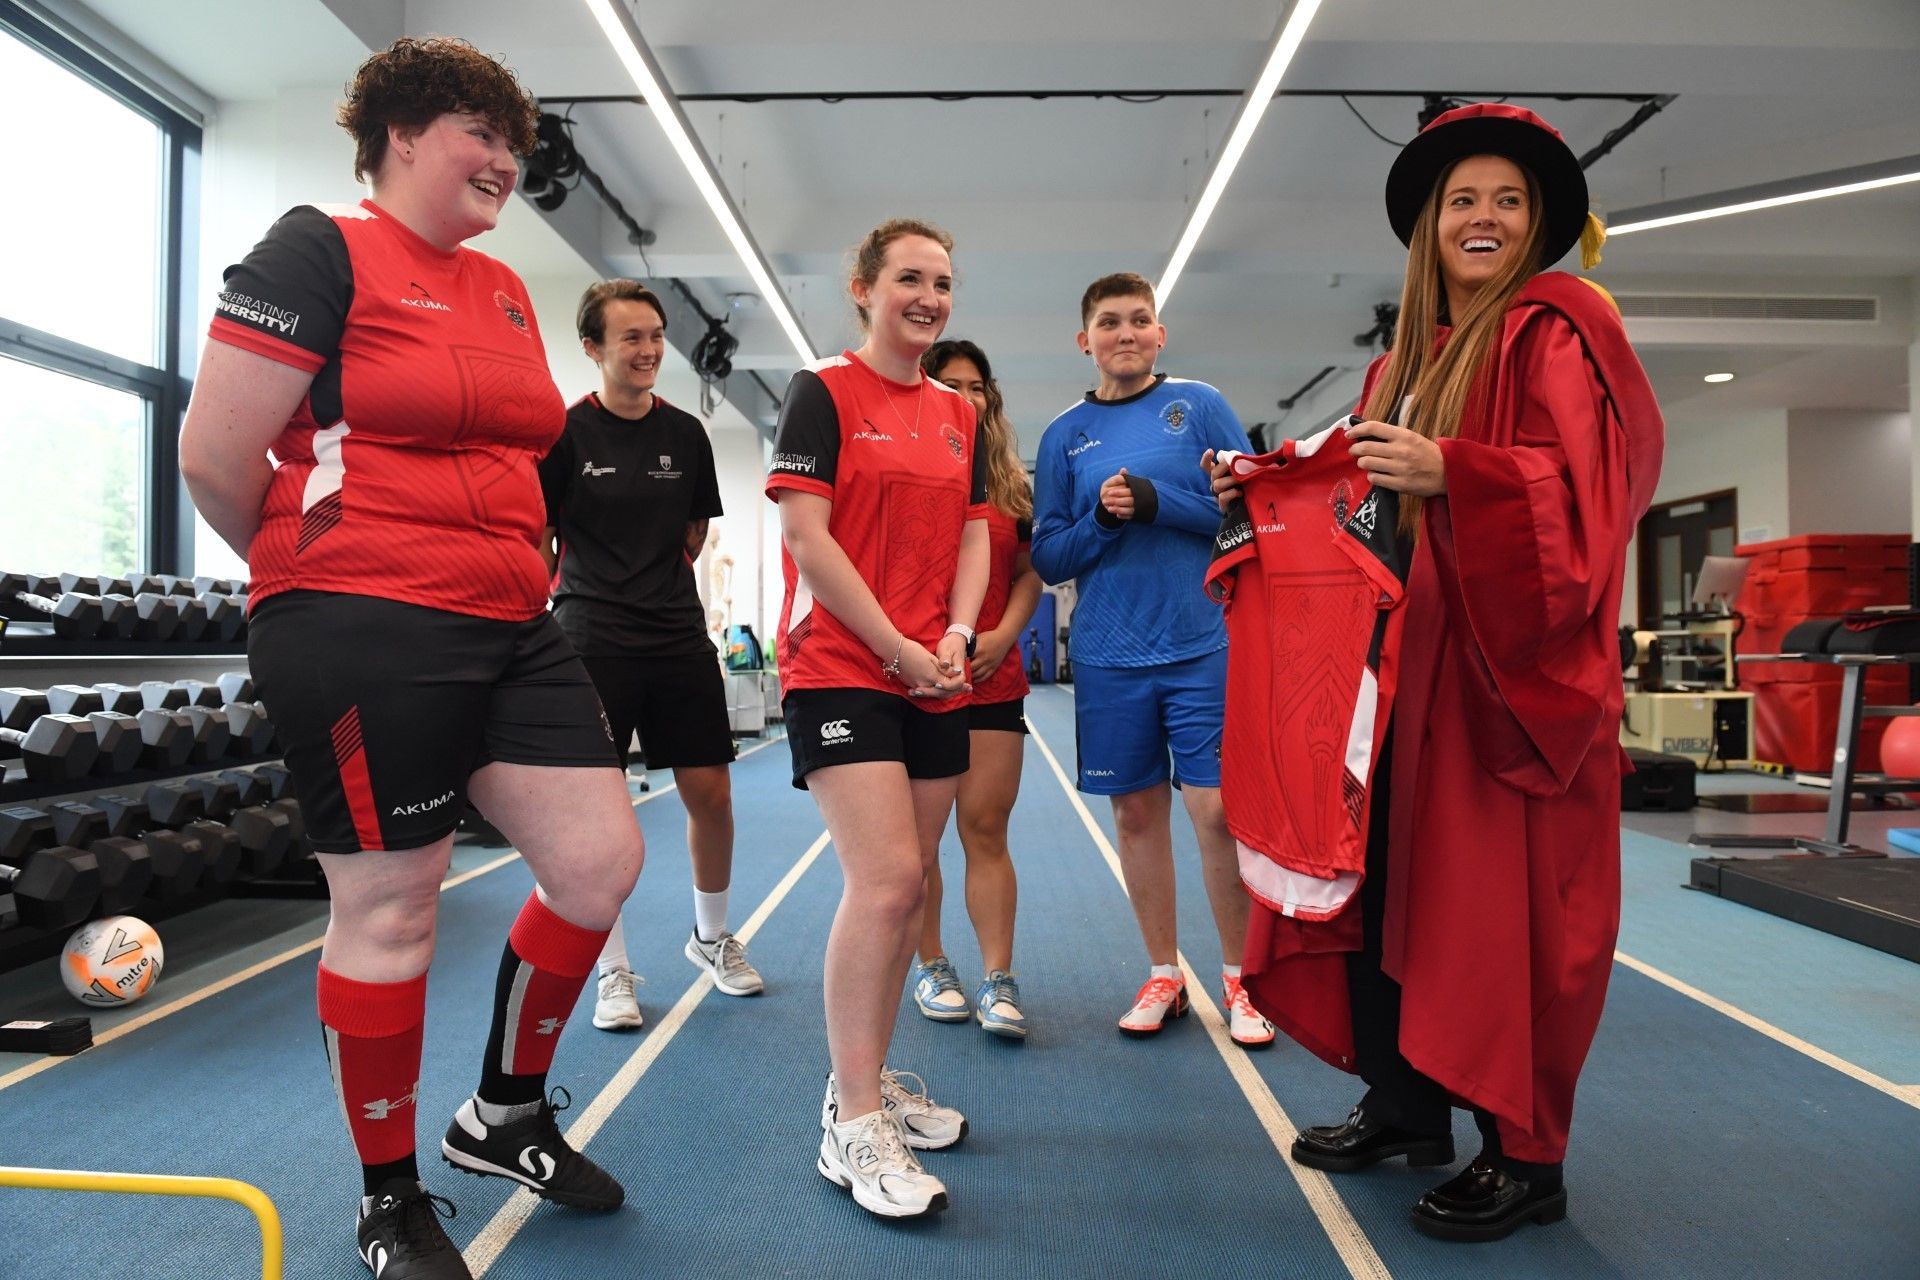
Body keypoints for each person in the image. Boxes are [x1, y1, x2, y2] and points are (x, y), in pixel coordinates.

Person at [180, 38, 644, 1279]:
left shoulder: (497, 289)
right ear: (399, 134)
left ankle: (501, 1114)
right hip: (360, 615)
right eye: (480, 134)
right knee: (391, 906)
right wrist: (316, 573)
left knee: (600, 864)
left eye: (514, 142)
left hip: (510, 619)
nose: (506, 160)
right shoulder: (316, 247)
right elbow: (216, 458)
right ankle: (388, 1196)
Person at [1211, 103, 1663, 1242]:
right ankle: (1407, 1104)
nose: (1485, 216)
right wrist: (1266, 497)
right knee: (1385, 887)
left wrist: (1455, 468)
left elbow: (1594, 495)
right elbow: (1363, 519)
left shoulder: (1558, 328)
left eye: (1509, 200)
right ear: (1427, 224)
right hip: (1404, 682)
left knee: (1500, 915)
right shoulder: (1397, 367)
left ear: (1540, 224)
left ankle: (1525, 1154)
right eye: (1464, 198)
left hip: (1510, 685)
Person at [765, 219, 989, 1220]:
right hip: (844, 665)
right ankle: (852, 1122)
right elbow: (809, 539)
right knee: (888, 877)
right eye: (910, 278)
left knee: (910, 889)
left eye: (942, 282)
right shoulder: (825, 391)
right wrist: (897, 646)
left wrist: (958, 629)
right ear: (864, 288)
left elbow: (977, 533)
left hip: (935, 671)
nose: (929, 297)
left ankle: (870, 1069)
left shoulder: (957, 411)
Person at [1030, 273, 1274, 1048]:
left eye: (1140, 319)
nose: (1125, 332)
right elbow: (1046, 557)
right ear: (1085, 341)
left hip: (1204, 642)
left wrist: (1161, 503)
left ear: (1160, 334)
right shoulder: (1063, 435)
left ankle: (1242, 980)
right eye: (1109, 321)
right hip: (1109, 654)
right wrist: (1103, 517)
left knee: (1218, 814)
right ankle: (1163, 973)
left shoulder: (1199, 406)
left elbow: (1253, 516)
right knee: (1136, 815)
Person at [538, 279, 763, 1033]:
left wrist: (653, 581)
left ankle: (710, 939)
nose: (648, 351)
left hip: (673, 630)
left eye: (656, 336)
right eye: (630, 337)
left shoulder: (685, 435)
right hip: (590, 633)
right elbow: (541, 542)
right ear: (594, 347)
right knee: (598, 814)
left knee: (712, 793)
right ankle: (613, 970)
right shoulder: (564, 434)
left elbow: (693, 531)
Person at [908, 339, 1040, 1038]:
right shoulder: (911, 466)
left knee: (986, 829)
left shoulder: (1010, 482)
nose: (966, 395)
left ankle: (998, 977)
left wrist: (1002, 637)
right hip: (920, 680)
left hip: (992, 677)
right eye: (948, 383)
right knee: (920, 843)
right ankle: (931, 963)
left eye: (976, 384)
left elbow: (1025, 574)